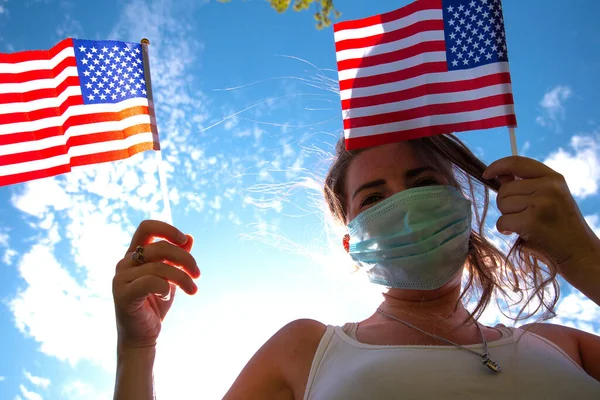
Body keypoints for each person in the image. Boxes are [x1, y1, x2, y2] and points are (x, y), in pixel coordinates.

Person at [112, 134, 600, 399]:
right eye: (373, 197)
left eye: (423, 180)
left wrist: (585, 258)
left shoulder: (562, 345)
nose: (405, 208)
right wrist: (137, 347)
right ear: (352, 243)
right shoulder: (306, 350)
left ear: (462, 202)